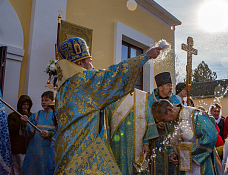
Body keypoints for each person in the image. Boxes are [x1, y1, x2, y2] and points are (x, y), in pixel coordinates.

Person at [54, 37, 161, 174]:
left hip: (66, 150)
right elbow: (115, 74)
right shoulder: (84, 80)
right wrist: (146, 56)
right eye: (89, 61)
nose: (93, 66)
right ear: (80, 62)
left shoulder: (62, 90)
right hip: (85, 151)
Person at [151, 99, 219, 175]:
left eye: (163, 119)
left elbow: (210, 135)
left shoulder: (195, 115)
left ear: (169, 110)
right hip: (182, 167)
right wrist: (172, 153)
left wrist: (188, 150)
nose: (163, 122)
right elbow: (168, 140)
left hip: (200, 165)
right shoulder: (169, 123)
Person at [106, 88, 159, 174]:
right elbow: (106, 123)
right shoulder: (111, 96)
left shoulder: (141, 96)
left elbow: (148, 119)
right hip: (117, 143)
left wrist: (146, 143)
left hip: (137, 144)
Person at [147, 72, 182, 175]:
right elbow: (146, 119)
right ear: (160, 88)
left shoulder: (175, 100)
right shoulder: (151, 101)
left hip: (173, 139)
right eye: (168, 85)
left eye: (171, 85)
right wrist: (156, 125)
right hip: (157, 140)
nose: (171, 88)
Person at [20, 91, 56, 175]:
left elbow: (61, 133)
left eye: (46, 100)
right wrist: (24, 123)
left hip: (49, 153)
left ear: (53, 101)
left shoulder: (57, 116)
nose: (43, 102)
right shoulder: (37, 115)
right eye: (42, 100)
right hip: (34, 152)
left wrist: (50, 134)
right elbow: (28, 132)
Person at [7, 95, 33, 175]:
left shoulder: (32, 116)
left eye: (27, 104)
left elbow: (32, 131)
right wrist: (20, 120)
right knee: (16, 169)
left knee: (26, 169)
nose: (25, 106)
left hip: (27, 148)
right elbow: (11, 129)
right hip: (16, 147)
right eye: (24, 104)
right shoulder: (12, 116)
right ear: (20, 104)